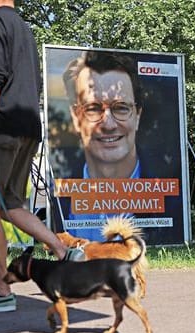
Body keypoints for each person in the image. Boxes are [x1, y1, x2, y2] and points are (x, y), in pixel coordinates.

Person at [0, 0, 83, 313]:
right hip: (27, 129)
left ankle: (2, 290)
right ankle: (63, 251)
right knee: (9, 204)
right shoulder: (24, 28)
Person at [53, 50, 183, 243]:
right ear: (75, 117)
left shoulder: (174, 202)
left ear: (137, 116)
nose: (109, 124)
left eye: (121, 107)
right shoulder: (56, 200)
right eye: (93, 108)